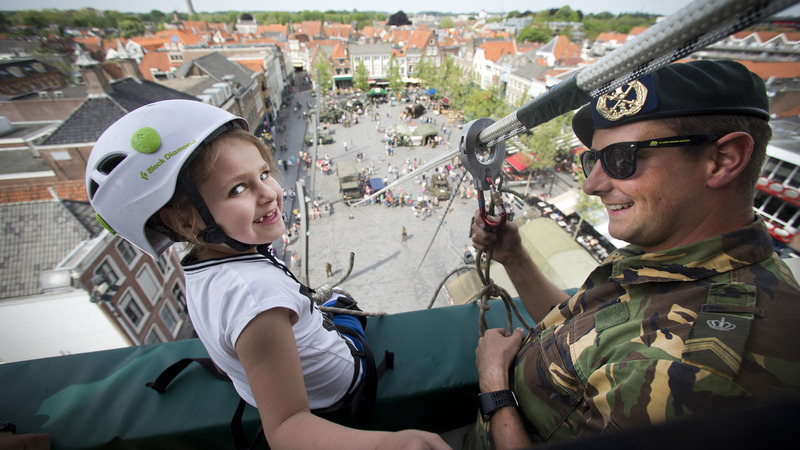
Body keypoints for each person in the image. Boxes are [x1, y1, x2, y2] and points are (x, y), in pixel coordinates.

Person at [467, 60, 800, 448]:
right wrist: (514, 255)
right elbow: (585, 329)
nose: (592, 185)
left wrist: (494, 386)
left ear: (723, 160)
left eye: (622, 158)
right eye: (594, 159)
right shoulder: (671, 252)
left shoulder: (692, 371)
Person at [85, 100, 448, 450]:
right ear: (184, 220)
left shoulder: (209, 267)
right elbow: (287, 428)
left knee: (331, 301)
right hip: (346, 390)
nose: (270, 194)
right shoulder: (255, 299)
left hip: (286, 374)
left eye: (263, 174)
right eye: (238, 189)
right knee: (343, 302)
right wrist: (387, 444)